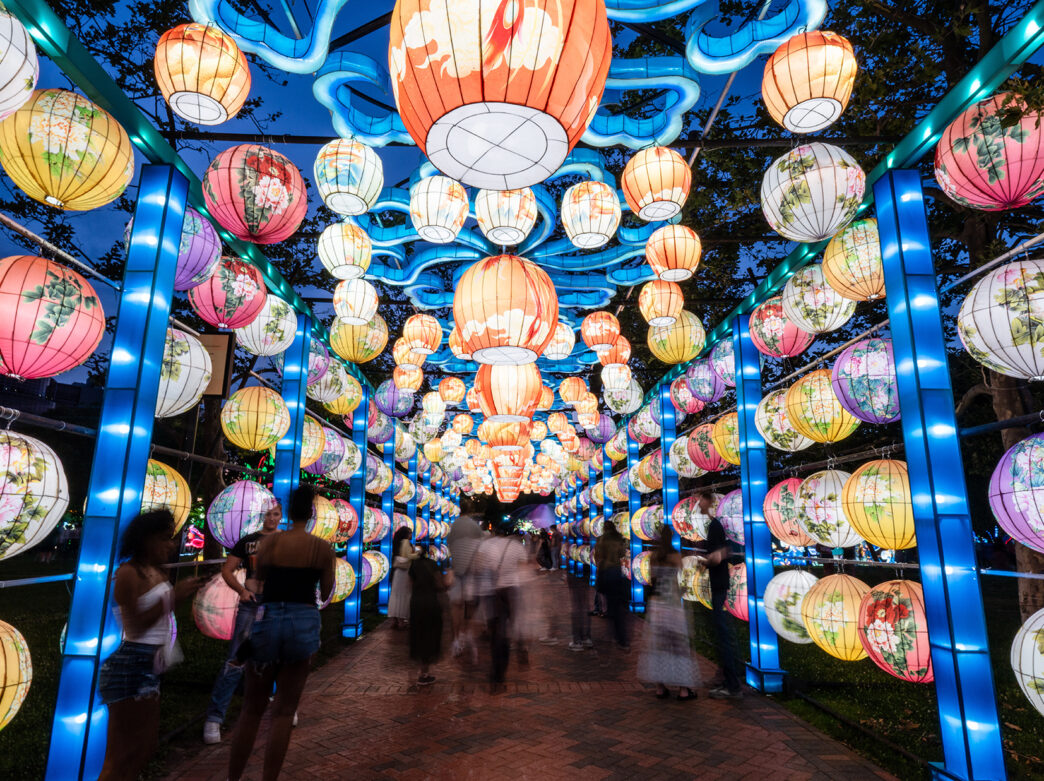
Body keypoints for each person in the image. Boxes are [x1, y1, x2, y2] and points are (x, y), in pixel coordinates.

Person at [227, 486, 336, 781]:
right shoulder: (322, 548)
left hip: (269, 619)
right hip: (303, 622)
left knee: (251, 709)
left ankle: (232, 777)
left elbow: (259, 581)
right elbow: (326, 592)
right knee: (285, 713)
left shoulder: (271, 544)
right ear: (312, 513)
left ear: (288, 512)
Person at [97, 510, 202, 781]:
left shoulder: (157, 571)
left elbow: (161, 619)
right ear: (146, 540)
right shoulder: (128, 573)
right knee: (120, 755)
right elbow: (136, 625)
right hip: (131, 665)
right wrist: (173, 598)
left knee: (145, 748)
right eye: (165, 539)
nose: (171, 545)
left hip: (151, 663)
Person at [203, 500, 283, 745]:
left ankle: (280, 703)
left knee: (277, 654)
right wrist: (241, 591)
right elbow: (228, 570)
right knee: (236, 658)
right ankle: (215, 717)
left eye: (276, 514)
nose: (271, 518)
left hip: (275, 604)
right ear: (262, 516)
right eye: (268, 514)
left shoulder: (286, 541)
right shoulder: (247, 540)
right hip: (251, 602)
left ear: (281, 516)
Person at [638, 525, 697, 700]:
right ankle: (683, 689)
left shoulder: (653, 558)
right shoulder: (676, 557)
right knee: (679, 647)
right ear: (671, 538)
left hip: (657, 606)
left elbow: (652, 582)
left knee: (658, 646)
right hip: (672, 606)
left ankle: (660, 687)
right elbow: (677, 583)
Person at [695, 490, 742, 700]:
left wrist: (704, 562)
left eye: (700, 499)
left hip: (720, 585)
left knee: (724, 636)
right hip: (719, 583)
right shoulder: (715, 525)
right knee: (723, 634)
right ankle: (727, 678)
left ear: (709, 501)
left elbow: (722, 554)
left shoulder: (715, 526)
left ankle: (732, 686)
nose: (697, 504)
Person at [475, 525, 527, 692]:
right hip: (512, 589)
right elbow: (523, 565)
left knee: (497, 631)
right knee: (512, 624)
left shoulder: (487, 545)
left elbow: (478, 567)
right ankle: (519, 643)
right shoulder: (516, 546)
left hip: (494, 591)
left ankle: (498, 674)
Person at [409, 544, 449, 684]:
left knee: (418, 635)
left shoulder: (413, 566)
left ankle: (421, 669)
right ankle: (424, 672)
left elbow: (410, 585)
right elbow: (440, 584)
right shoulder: (433, 565)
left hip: (416, 603)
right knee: (430, 636)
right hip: (431, 603)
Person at [445, 514, 483, 660]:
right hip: (470, 576)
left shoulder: (453, 538)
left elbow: (450, 558)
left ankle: (457, 639)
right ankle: (466, 635)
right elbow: (479, 561)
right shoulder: (476, 541)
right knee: (470, 607)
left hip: (457, 574)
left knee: (456, 607)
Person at [593, 521, 629, 650]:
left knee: (609, 602)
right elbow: (622, 554)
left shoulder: (601, 539)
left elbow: (598, 556)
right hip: (616, 570)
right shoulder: (619, 538)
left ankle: (615, 636)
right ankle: (621, 637)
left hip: (605, 571)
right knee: (617, 603)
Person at [388, 526, 419, 629]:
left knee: (395, 596)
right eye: (410, 533)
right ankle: (401, 622)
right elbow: (408, 556)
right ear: (406, 534)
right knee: (403, 596)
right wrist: (417, 553)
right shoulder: (406, 542)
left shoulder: (397, 542)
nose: (411, 535)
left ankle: (394, 620)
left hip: (397, 572)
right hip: (405, 572)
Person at [567, 544, 593, 651]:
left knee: (577, 607)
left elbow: (569, 555)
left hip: (576, 573)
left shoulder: (573, 538)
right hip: (587, 572)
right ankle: (586, 637)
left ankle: (578, 641)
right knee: (585, 606)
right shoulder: (590, 538)